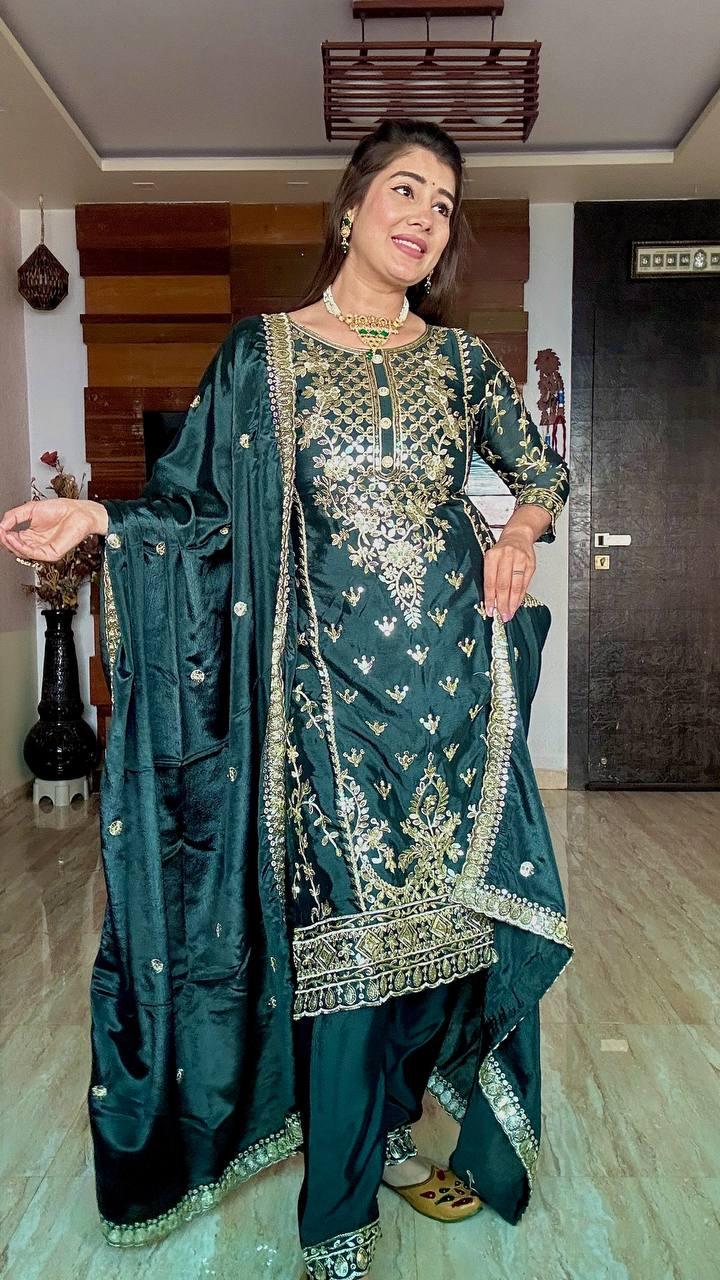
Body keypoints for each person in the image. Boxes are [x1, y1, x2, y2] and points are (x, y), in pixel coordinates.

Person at [0, 119, 573, 1280]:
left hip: (455, 709)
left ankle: (391, 1129)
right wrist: (102, 517)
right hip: (324, 712)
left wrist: (518, 530)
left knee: (440, 947)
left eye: (445, 204)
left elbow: (544, 470)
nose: (425, 216)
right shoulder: (262, 356)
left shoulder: (464, 366)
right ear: (352, 207)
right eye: (405, 189)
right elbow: (195, 506)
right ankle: (338, 1225)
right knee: (350, 954)